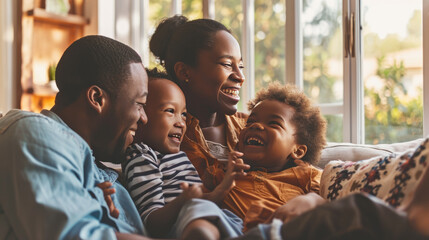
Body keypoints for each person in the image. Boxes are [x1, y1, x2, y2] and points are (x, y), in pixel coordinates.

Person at [0, 35, 153, 240]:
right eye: (139, 105)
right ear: (97, 98)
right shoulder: (34, 133)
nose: (144, 118)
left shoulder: (101, 174)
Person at [123, 68, 250, 239]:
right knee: (201, 219)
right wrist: (183, 201)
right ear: (141, 115)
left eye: (183, 114)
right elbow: (151, 221)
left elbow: (203, 202)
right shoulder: (141, 156)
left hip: (205, 216)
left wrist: (225, 186)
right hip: (182, 228)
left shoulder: (179, 156)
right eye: (170, 111)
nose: (182, 123)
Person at [150, 15, 247, 191]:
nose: (240, 77)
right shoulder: (162, 137)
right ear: (184, 72)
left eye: (240, 66)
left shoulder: (251, 129)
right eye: (226, 64)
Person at [221, 83, 326, 230]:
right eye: (250, 121)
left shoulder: (306, 174)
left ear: (298, 151)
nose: (256, 126)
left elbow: (331, 194)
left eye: (274, 123)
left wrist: (311, 200)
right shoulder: (227, 172)